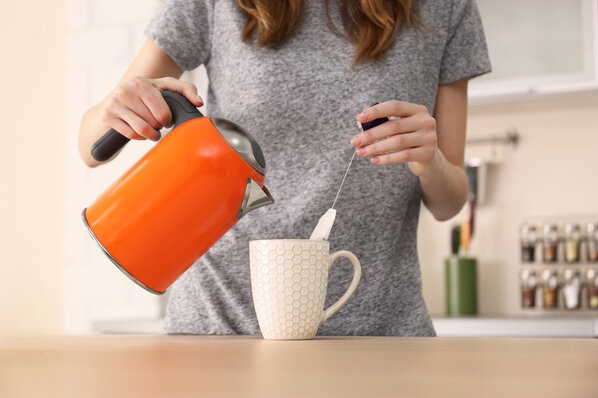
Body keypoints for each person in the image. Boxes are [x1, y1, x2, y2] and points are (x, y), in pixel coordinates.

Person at [78, 0, 491, 336]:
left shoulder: (446, 8)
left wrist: (431, 160)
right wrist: (121, 107)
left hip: (380, 335)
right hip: (220, 330)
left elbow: (449, 202)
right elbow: (90, 145)